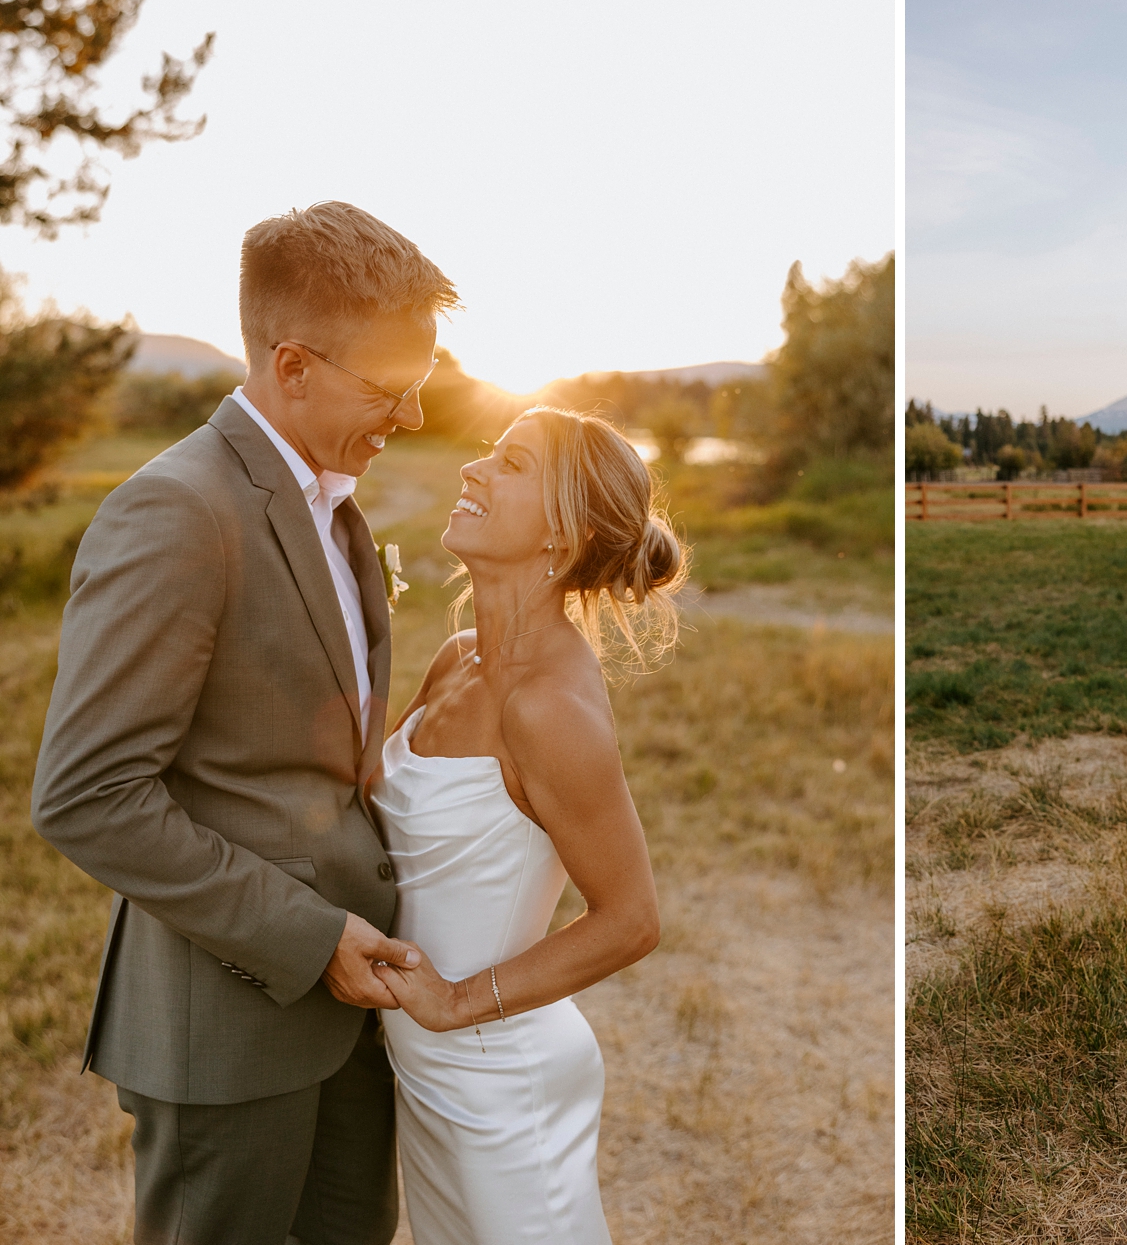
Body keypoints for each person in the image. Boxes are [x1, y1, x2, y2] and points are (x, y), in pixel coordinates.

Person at [32, 201, 457, 1243]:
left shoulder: (335, 503)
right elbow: (88, 796)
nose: (408, 419)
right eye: (391, 390)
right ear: (295, 364)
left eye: (422, 387)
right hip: (226, 1031)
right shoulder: (176, 508)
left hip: (352, 1022)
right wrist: (312, 940)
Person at [369, 405, 681, 1243]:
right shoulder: (456, 655)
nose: (473, 470)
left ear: (563, 532)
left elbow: (633, 918)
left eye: (510, 464)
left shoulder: (549, 707)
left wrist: (457, 999)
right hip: (422, 1065)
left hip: (499, 1077)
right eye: (485, 455)